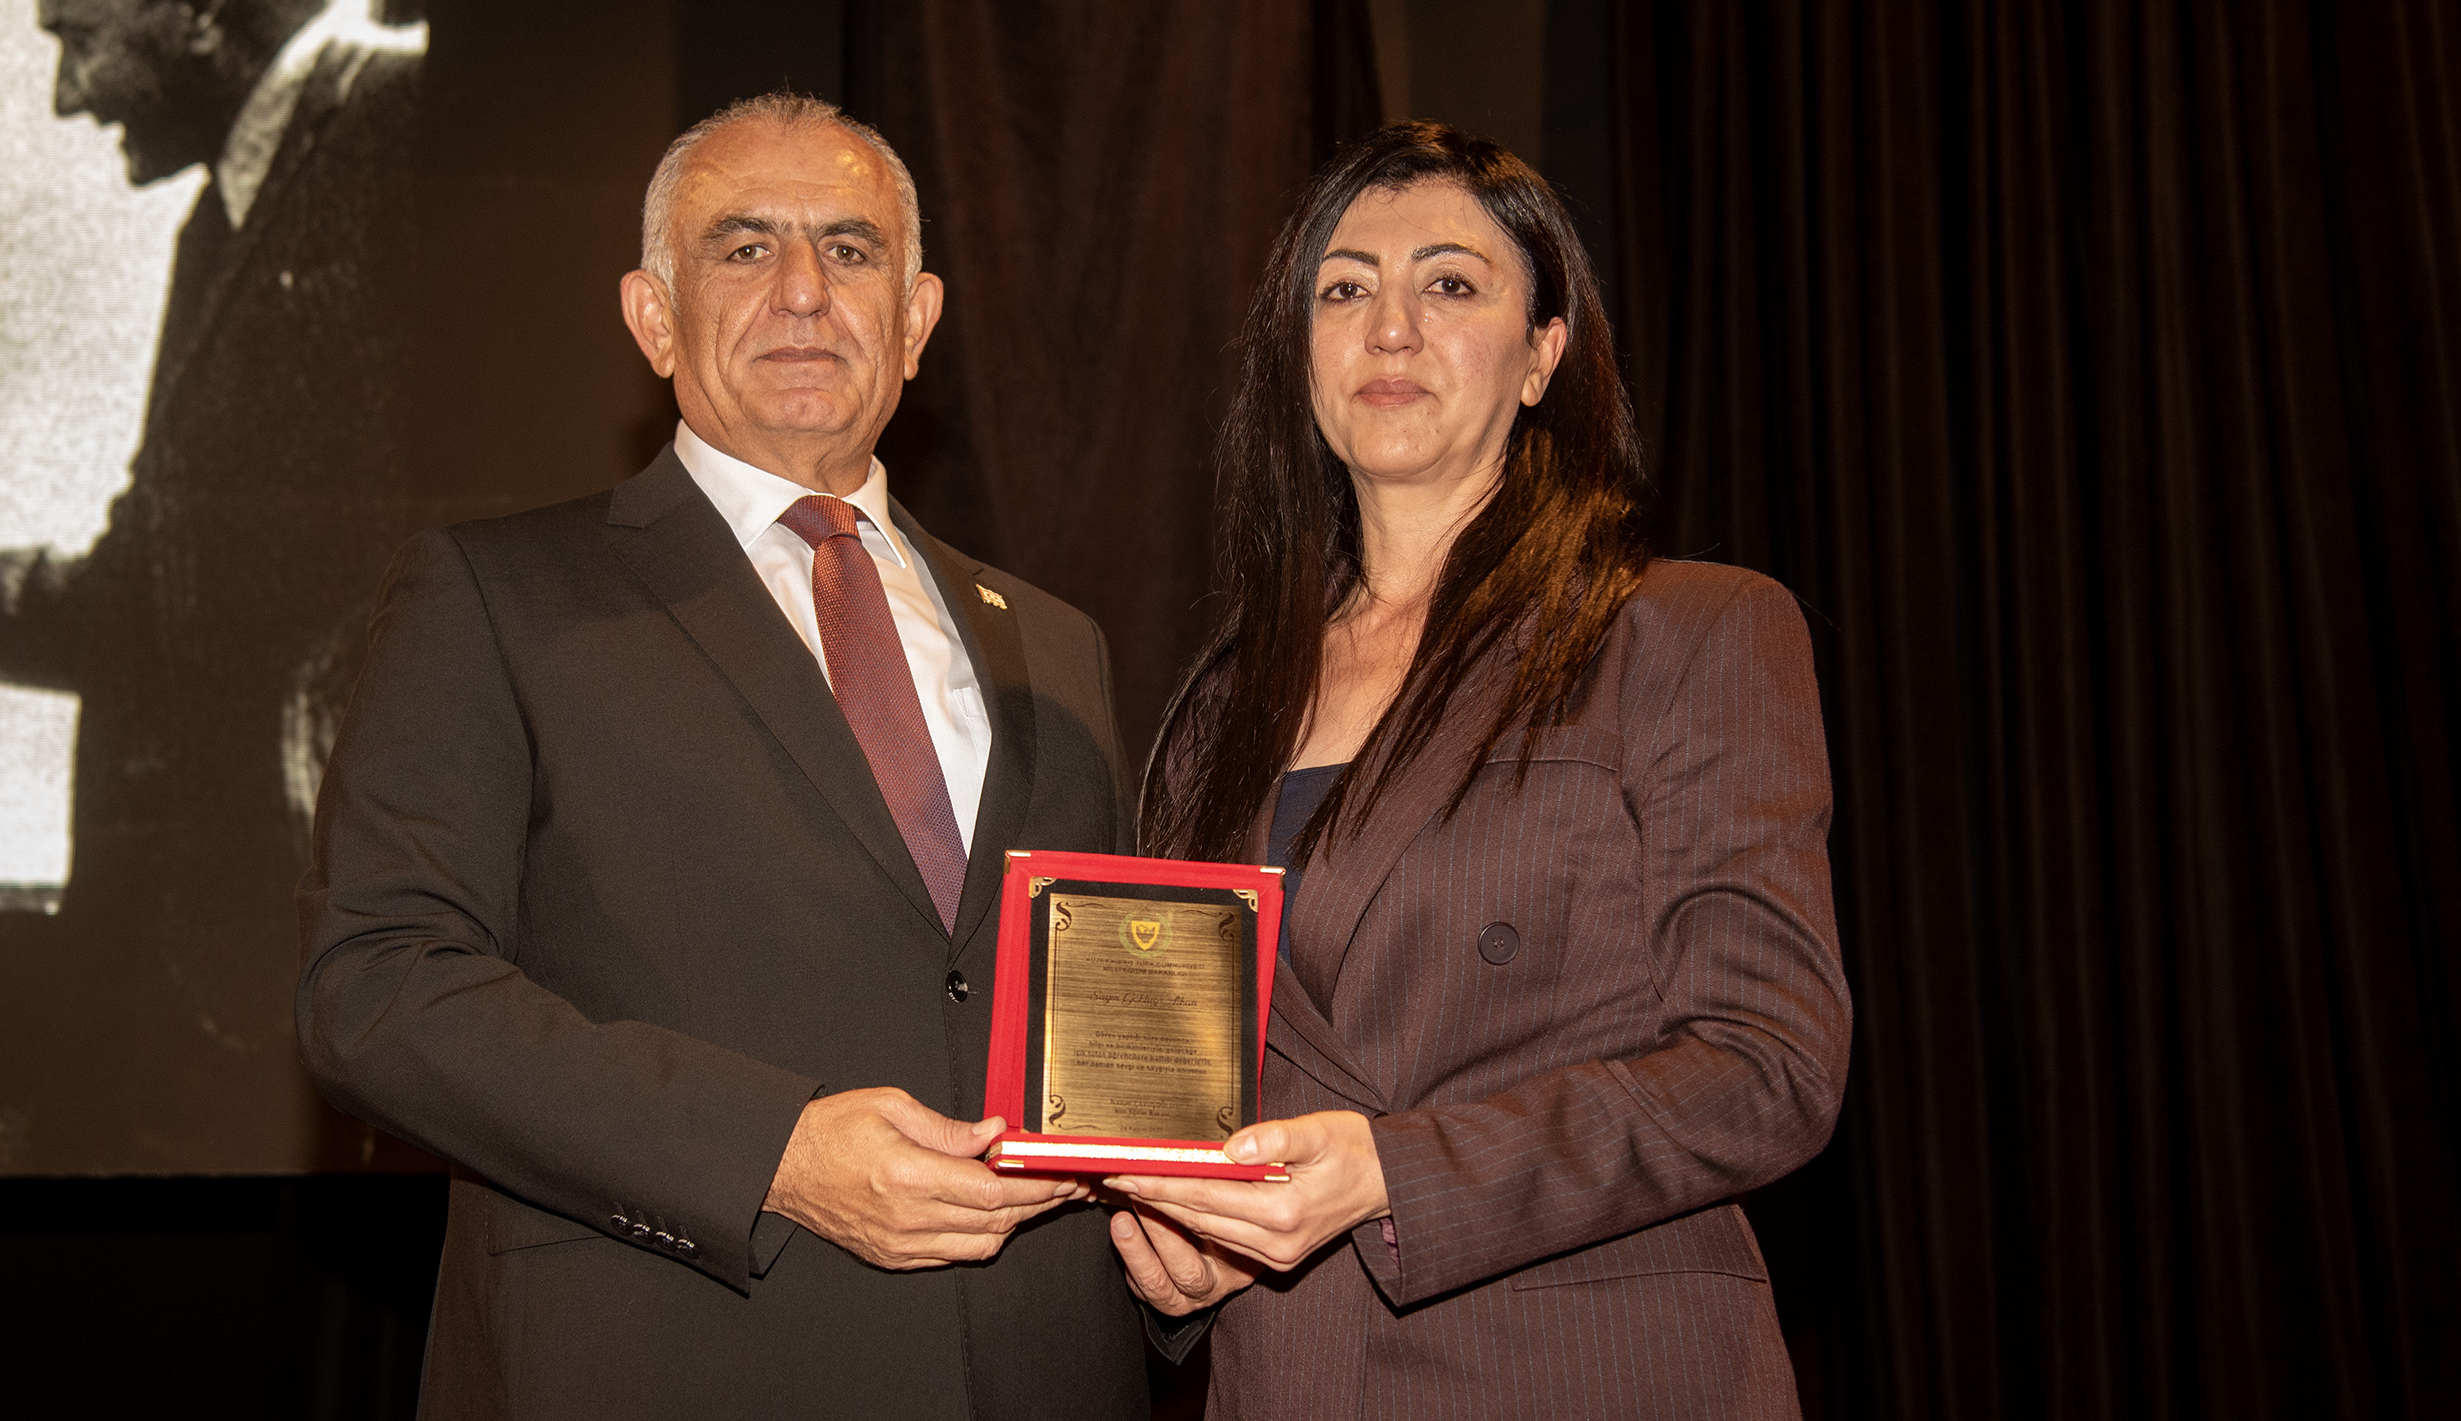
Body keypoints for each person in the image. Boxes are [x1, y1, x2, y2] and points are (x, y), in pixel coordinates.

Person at [299, 93, 1154, 1418]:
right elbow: (378, 991)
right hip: (668, 1364)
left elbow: (1096, 1012)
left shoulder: (1055, 639)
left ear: (916, 320)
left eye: (851, 249)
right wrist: (775, 1152)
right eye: (745, 247)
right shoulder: (495, 598)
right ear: (653, 317)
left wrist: (1169, 1217)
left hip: (1040, 1370)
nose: (804, 290)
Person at [1108, 122, 1851, 1417]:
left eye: (1449, 283)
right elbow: (1172, 1090)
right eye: (1344, 290)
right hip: (1291, 1379)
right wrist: (1171, 1243)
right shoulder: (1223, 701)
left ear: (1543, 354)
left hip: (1591, 1373)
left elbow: (1766, 1066)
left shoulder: (1689, 633)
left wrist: (1399, 1173)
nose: (1390, 328)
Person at [0, 0, 423, 1169]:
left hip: (320, 988)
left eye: (78, 38)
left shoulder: (407, 133)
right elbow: (167, 582)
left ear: (199, 2)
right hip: (230, 983)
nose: (67, 96)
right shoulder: (238, 203)